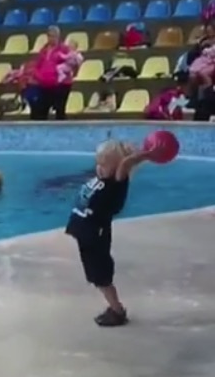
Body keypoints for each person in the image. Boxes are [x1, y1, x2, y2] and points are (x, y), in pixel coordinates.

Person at [63, 139, 157, 327]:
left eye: (104, 165)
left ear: (116, 166)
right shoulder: (104, 177)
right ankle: (115, 307)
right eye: (98, 163)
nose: (99, 168)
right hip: (87, 235)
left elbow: (126, 164)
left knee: (101, 277)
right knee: (96, 276)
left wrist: (146, 155)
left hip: (95, 235)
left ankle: (117, 310)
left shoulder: (117, 182)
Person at [30, 25, 72, 121]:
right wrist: (38, 76)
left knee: (60, 110)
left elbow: (70, 64)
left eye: (54, 36)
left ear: (58, 37)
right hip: (45, 84)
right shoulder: (43, 50)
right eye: (50, 36)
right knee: (41, 111)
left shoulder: (64, 49)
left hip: (61, 85)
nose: (52, 38)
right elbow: (37, 65)